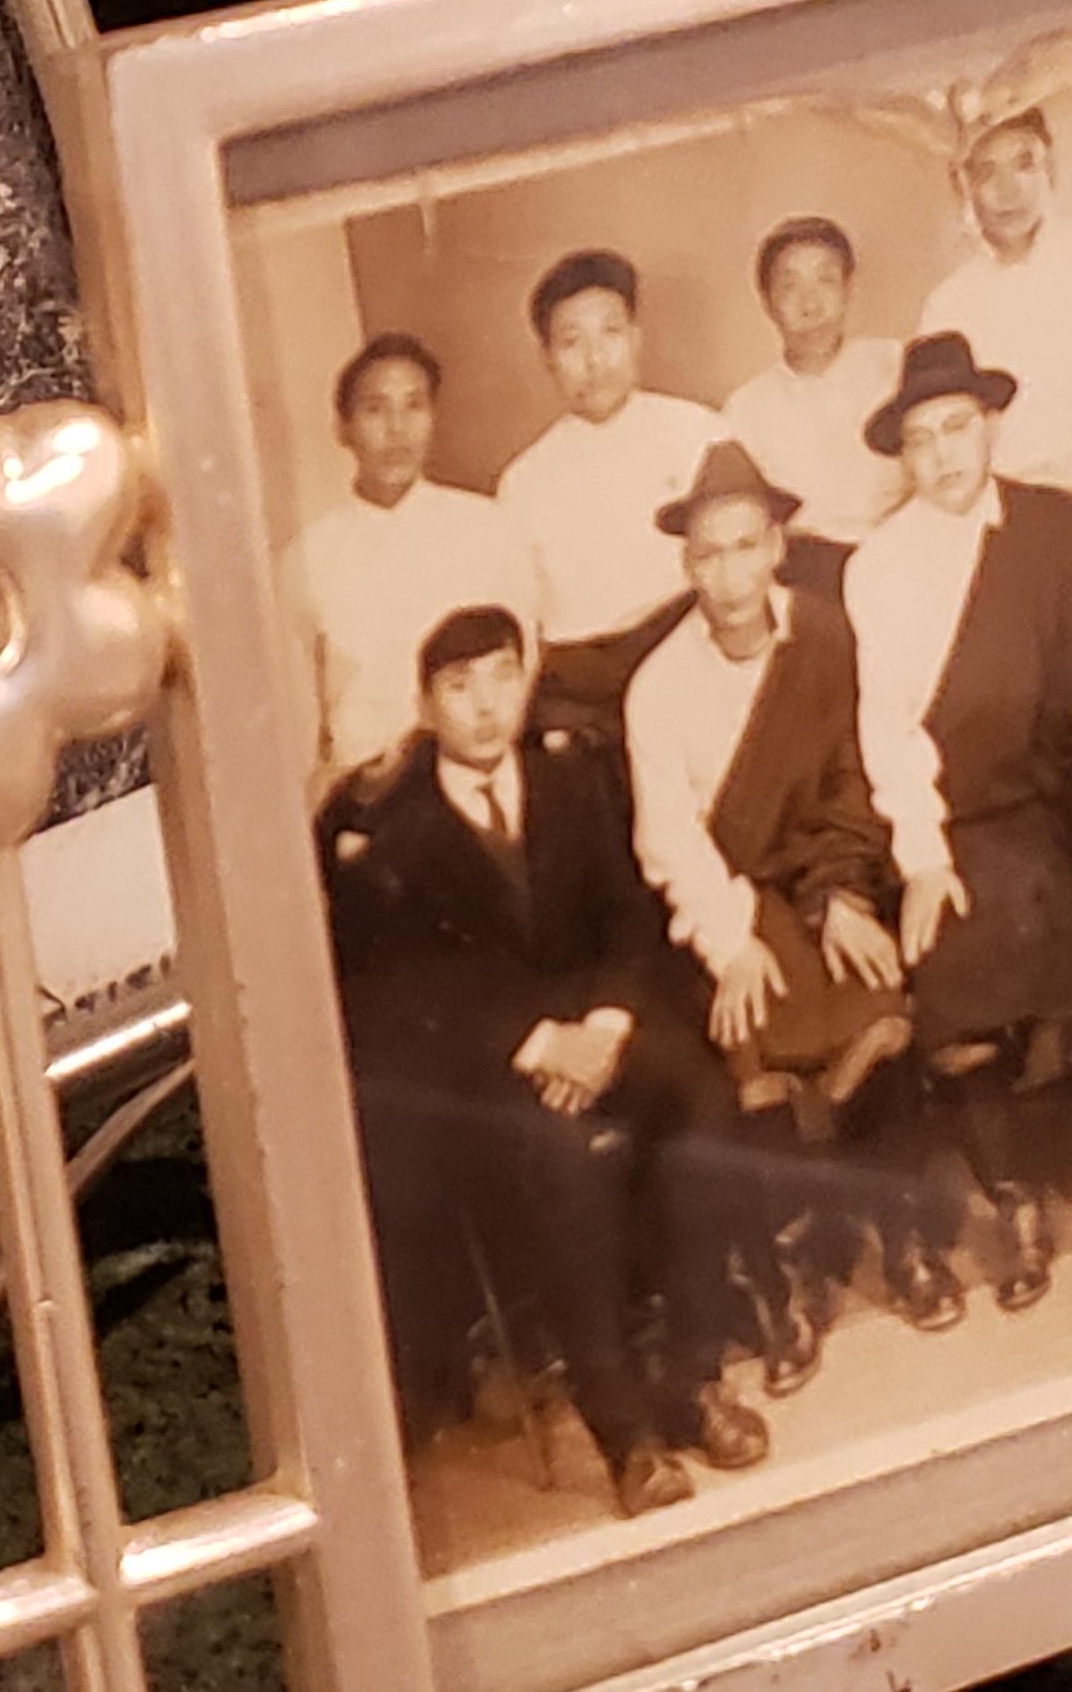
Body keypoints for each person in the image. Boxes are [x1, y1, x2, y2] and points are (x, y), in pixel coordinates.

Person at [324, 607, 770, 1504]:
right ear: (425, 704)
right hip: (488, 1077)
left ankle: (689, 1383)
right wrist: (539, 1047)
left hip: (597, 1033)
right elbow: (408, 997)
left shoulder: (572, 784)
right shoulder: (394, 837)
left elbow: (627, 921)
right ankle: (628, 1439)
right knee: (562, 1165)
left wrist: (603, 1032)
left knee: (702, 1100)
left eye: (500, 677)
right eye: (459, 687)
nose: (486, 706)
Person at [844, 334, 1072, 1311]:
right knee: (952, 959)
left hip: (1058, 801)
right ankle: (1016, 1207)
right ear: (902, 458)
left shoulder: (1046, 524)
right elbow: (890, 730)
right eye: (921, 439)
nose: (945, 453)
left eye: (959, 427)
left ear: (991, 426)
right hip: (959, 820)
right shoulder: (881, 564)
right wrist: (920, 857)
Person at [627, 444, 940, 1353]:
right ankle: (794, 1271)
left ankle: (908, 1237)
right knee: (748, 1041)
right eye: (707, 554)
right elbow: (669, 840)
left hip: (821, 878)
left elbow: (854, 778)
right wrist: (730, 943)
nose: (727, 574)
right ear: (687, 565)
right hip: (724, 902)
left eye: (744, 546)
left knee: (879, 1011)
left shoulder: (829, 636)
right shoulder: (659, 686)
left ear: (777, 548)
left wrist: (843, 893)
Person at [280, 335, 548, 800]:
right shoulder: (307, 559)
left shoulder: (487, 526)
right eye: (375, 410)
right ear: (342, 428)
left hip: (483, 777)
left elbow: (525, 663)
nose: (397, 429)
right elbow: (296, 715)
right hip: (370, 791)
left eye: (414, 407)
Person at [497, 251, 725, 739]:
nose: (594, 360)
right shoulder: (523, 482)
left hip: (689, 648)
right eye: (571, 342)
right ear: (547, 359)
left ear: (636, 340)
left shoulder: (697, 432)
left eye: (610, 333)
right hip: (583, 686)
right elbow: (524, 623)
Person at [916, 111, 1072, 497]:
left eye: (1024, 165)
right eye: (986, 172)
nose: (1008, 189)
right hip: (1012, 508)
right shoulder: (947, 305)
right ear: (962, 185)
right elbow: (946, 433)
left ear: (1052, 169)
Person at [718, 217, 909, 591]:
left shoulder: (893, 366)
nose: (811, 304)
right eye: (790, 286)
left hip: (899, 555)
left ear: (848, 288)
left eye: (826, 280)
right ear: (768, 303)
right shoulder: (745, 409)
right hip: (804, 578)